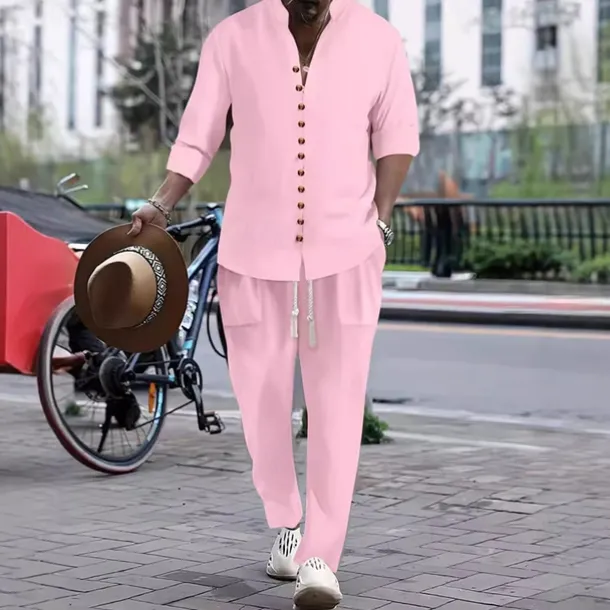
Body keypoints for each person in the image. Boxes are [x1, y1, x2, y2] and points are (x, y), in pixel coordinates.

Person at [129, 0, 419, 607]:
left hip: (347, 254)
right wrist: (161, 202)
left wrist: (381, 223)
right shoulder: (232, 38)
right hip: (252, 254)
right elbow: (199, 133)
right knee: (260, 403)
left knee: (337, 406)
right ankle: (287, 524)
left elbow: (396, 135)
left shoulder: (380, 40)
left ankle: (321, 557)